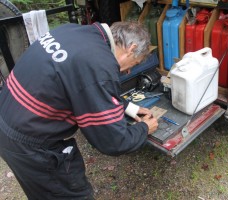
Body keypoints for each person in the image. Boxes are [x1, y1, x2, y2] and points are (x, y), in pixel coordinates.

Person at [0, 21, 158, 199]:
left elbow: (81, 87)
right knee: (68, 194)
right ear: (131, 48)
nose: (129, 71)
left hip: (8, 117)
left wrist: (128, 108)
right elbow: (113, 141)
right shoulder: (98, 64)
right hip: (29, 143)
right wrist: (144, 129)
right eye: (134, 63)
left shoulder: (76, 32)